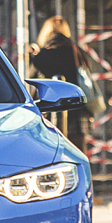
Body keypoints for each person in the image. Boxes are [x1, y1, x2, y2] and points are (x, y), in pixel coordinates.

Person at [30, 15, 86, 150]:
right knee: (75, 150)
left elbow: (30, 81)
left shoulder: (43, 54)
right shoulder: (75, 50)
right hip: (75, 108)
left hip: (47, 110)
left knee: (50, 151)